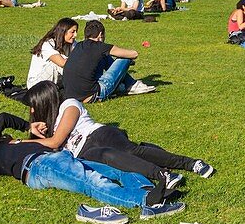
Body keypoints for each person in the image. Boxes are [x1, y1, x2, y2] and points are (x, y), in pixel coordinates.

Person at [0, 111, 184, 224]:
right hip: (40, 167)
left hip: (56, 157)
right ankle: (146, 203)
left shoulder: (9, 145)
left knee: (116, 167)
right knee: (91, 181)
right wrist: (26, 125)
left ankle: (148, 190)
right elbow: (2, 118)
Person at [26, 81, 213, 196]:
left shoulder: (69, 105)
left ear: (45, 102)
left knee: (131, 151)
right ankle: (163, 174)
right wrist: (34, 132)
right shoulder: (45, 126)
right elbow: (49, 150)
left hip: (99, 134)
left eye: (34, 106)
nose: (32, 110)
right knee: (112, 159)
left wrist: (21, 142)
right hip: (85, 152)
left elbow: (55, 143)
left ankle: (190, 163)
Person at [61, 20, 154, 102]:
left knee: (104, 57)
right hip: (94, 94)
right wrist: (125, 63)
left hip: (73, 96)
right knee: (125, 58)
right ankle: (132, 84)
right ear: (100, 35)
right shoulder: (100, 46)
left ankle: (125, 84)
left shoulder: (78, 46)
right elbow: (134, 54)